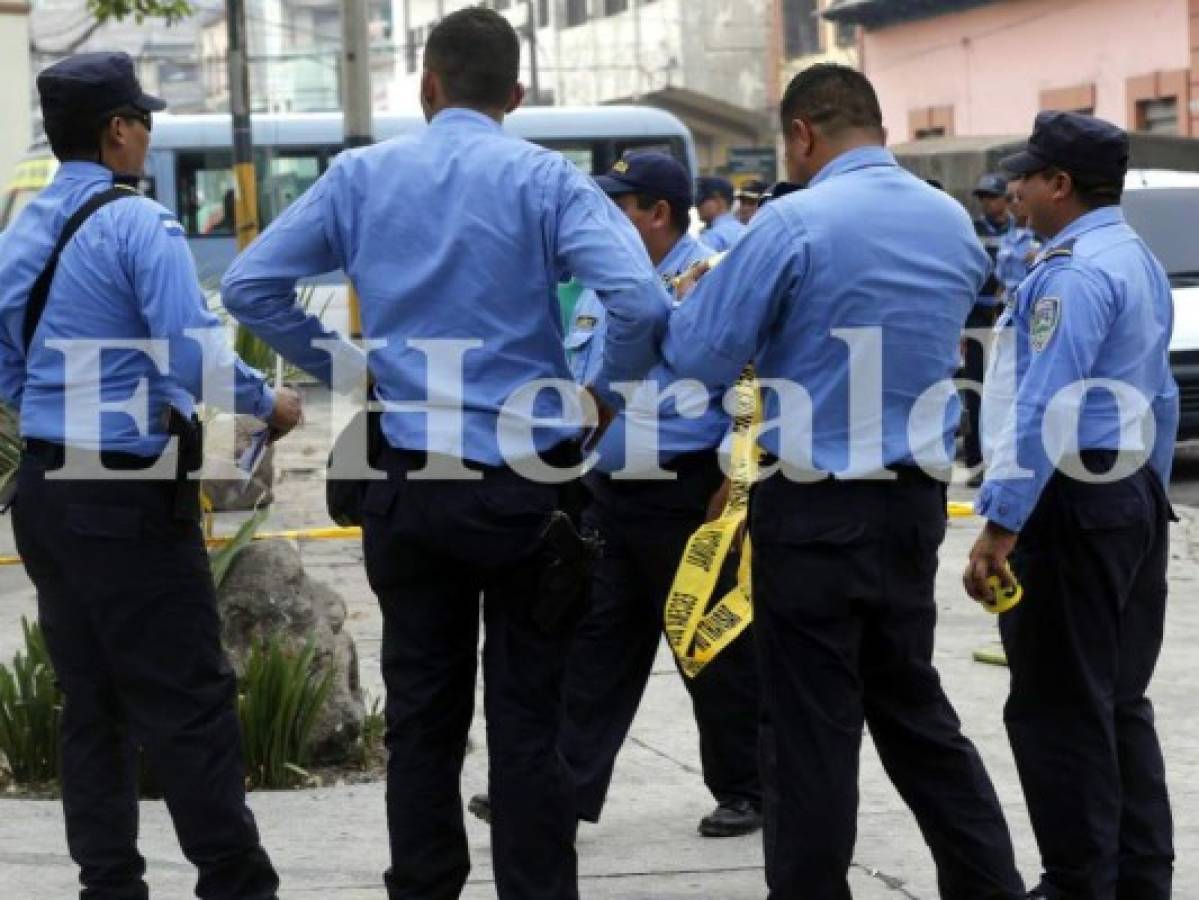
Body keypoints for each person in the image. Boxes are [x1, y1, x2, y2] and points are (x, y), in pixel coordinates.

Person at [220, 9, 669, 900]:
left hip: (406, 484)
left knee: (422, 717)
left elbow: (250, 285)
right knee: (529, 718)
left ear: (425, 86)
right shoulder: (547, 182)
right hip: (526, 488)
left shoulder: (360, 177)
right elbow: (642, 307)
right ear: (516, 94)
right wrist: (597, 396)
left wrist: (352, 371)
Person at [661, 63, 1024, 899]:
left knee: (807, 735)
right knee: (912, 712)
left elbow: (696, 355)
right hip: (911, 507)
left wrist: (702, 300)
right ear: (878, 126)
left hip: (814, 509)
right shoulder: (950, 221)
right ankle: (989, 885)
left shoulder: (791, 225)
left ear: (801, 135)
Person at [0, 52, 296, 900]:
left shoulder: (21, 230)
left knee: (89, 704)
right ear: (118, 130)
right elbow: (194, 352)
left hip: (47, 493)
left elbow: (4, 362)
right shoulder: (138, 226)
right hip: (125, 499)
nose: (148, 136)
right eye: (144, 121)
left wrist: (54, 417)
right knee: (188, 701)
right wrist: (266, 404)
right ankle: (237, 886)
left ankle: (109, 886)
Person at [468, 150, 762, 838]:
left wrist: (729, 482)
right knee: (594, 645)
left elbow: (752, 394)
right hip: (609, 490)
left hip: (690, 493)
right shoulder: (610, 286)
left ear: (657, 213)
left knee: (707, 644)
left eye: (617, 206)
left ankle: (749, 786)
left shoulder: (716, 282)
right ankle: (558, 788)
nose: (599, 218)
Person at [964, 110, 1178, 900]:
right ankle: (1137, 879)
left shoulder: (1072, 272)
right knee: (1116, 703)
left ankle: (1077, 882)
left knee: (1057, 709)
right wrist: (1144, 493)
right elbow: (1156, 394)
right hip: (1125, 495)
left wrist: (1000, 523)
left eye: (1025, 176)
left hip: (1071, 502)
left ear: (1059, 184)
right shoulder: (1134, 257)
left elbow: (1045, 406)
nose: (1013, 190)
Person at [963, 172, 1016, 485]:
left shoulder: (1021, 230)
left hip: (1007, 319)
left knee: (1007, 390)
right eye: (982, 197)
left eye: (992, 197)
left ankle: (1004, 459)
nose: (986, 203)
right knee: (975, 391)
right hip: (977, 320)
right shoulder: (972, 230)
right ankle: (976, 464)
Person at [994, 178, 1042, 301]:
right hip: (1007, 306)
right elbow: (1002, 283)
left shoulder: (1044, 233)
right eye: (1009, 198)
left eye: (1020, 196)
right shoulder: (1005, 235)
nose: (1015, 202)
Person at [695, 175, 745, 250]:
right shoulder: (743, 229)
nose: (697, 205)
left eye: (701, 199)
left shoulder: (714, 236)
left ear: (718, 200)